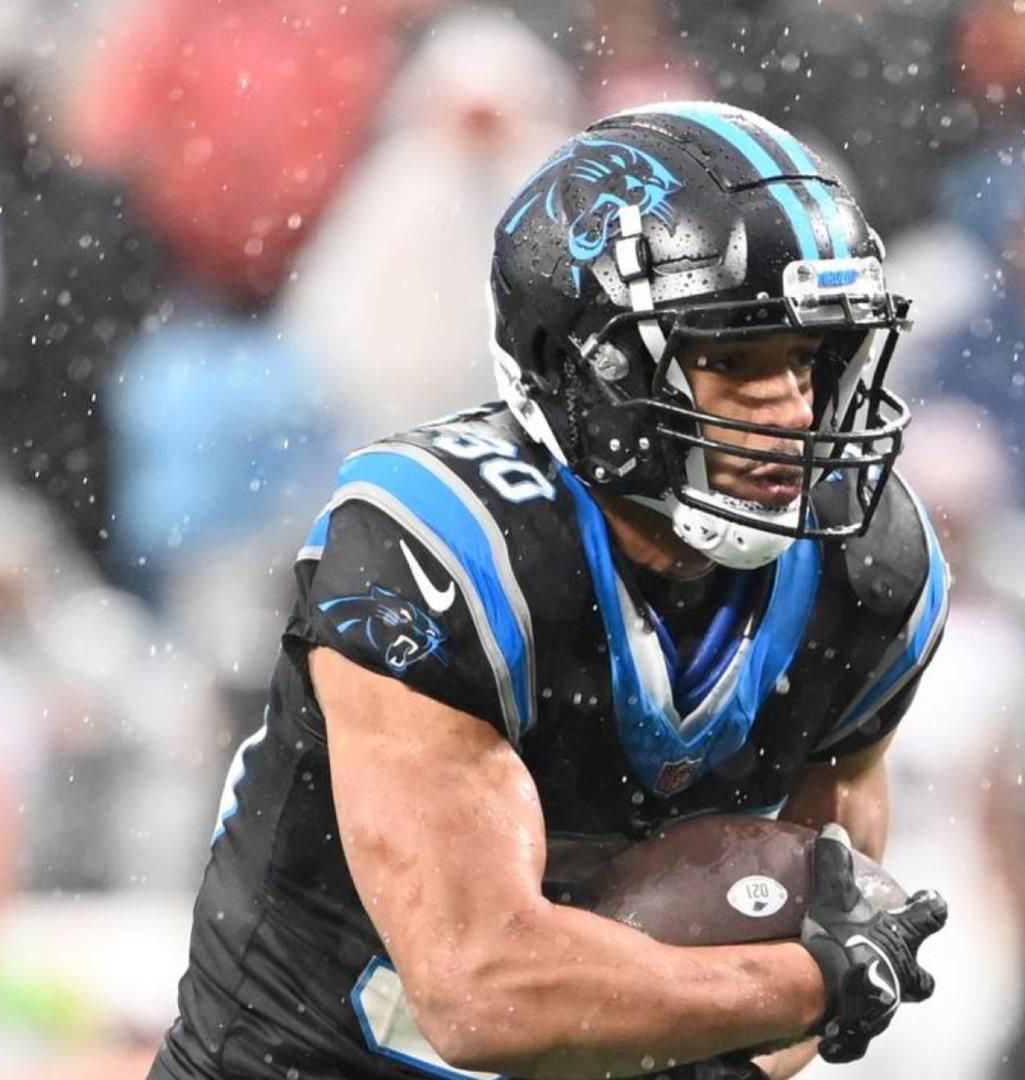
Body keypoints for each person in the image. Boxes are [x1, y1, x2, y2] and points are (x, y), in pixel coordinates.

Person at [146, 102, 951, 1080]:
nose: (793, 409)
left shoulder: (867, 575)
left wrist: (745, 1036)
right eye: (736, 360)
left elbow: (822, 907)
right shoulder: (445, 547)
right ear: (592, 368)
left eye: (811, 360)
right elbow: (478, 988)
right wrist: (804, 989)